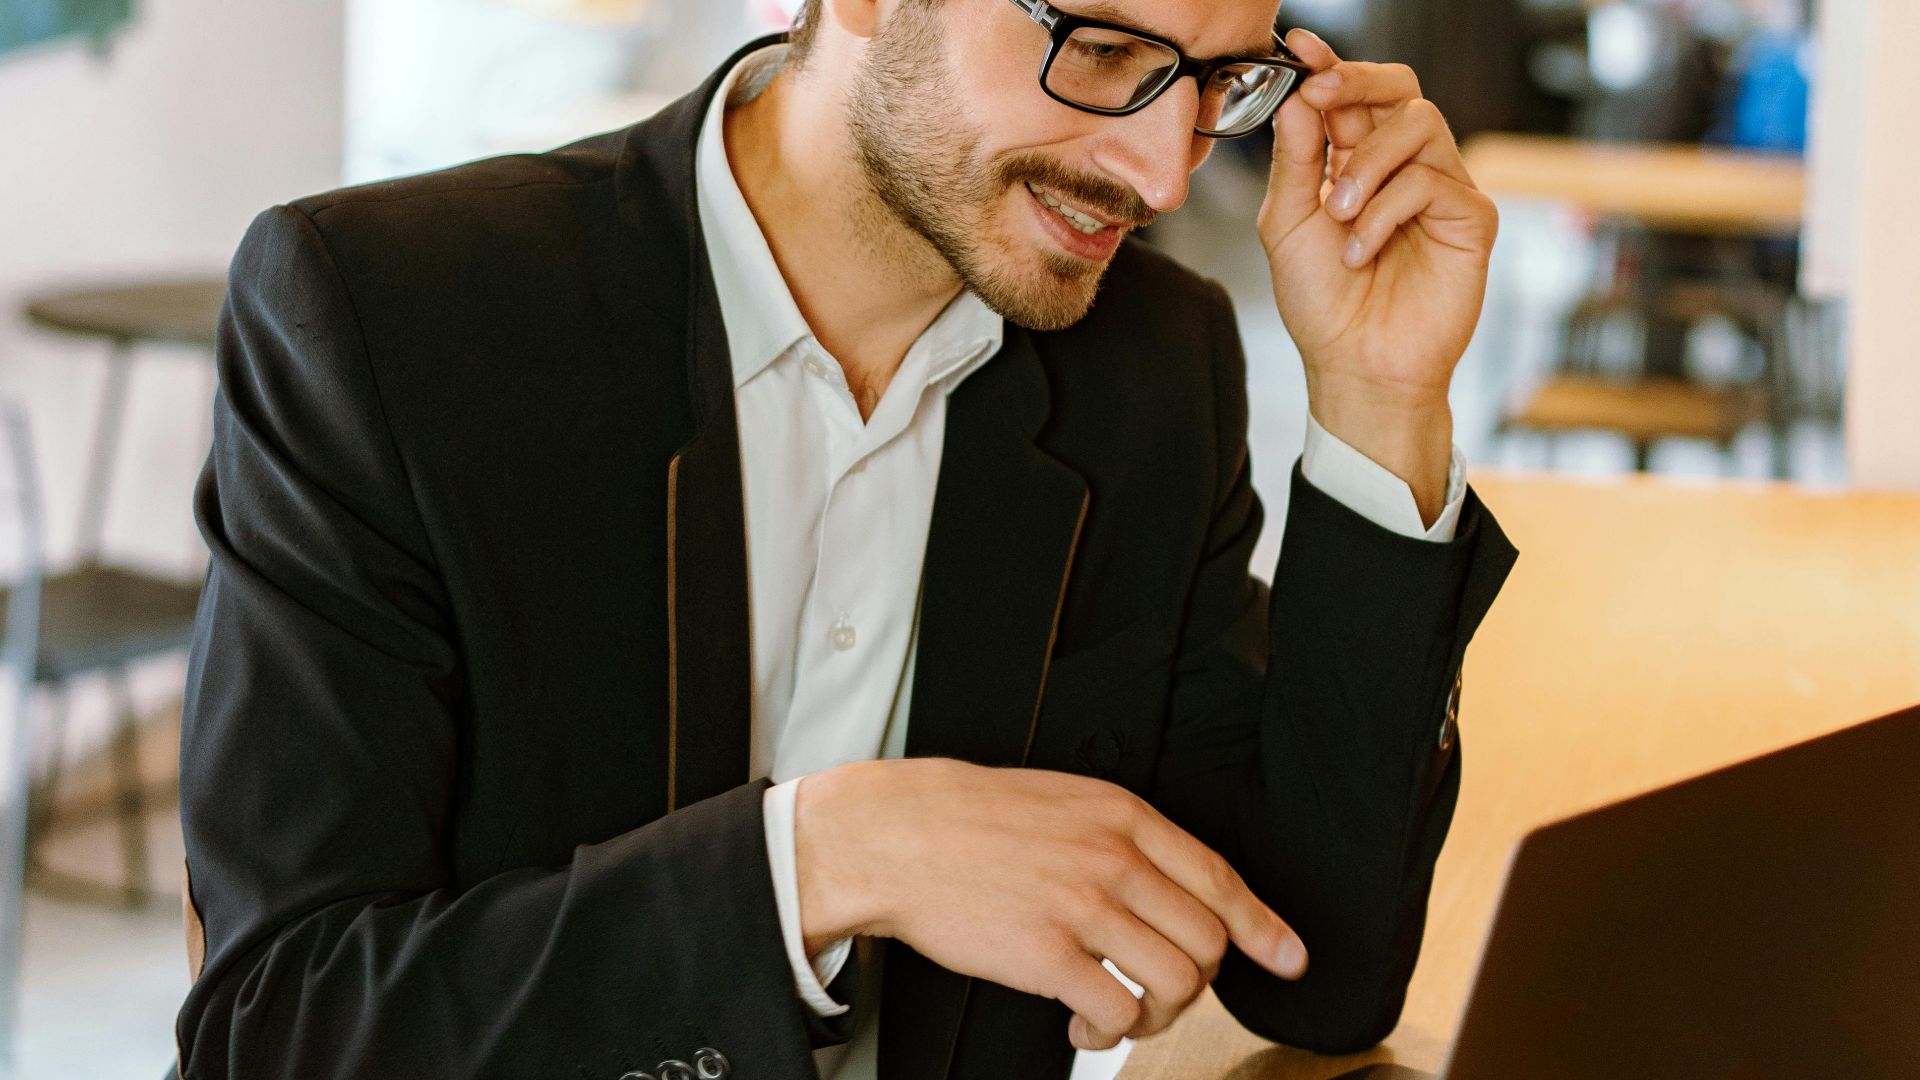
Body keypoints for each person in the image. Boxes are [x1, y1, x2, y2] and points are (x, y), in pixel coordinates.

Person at [170, 0, 1517, 1077]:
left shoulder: (1150, 371)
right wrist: (827, 860)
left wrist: (1379, 396)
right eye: (1102, 47)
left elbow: (1321, 967)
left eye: (1223, 81)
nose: (1163, 172)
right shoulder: (392, 321)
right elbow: (279, 1028)